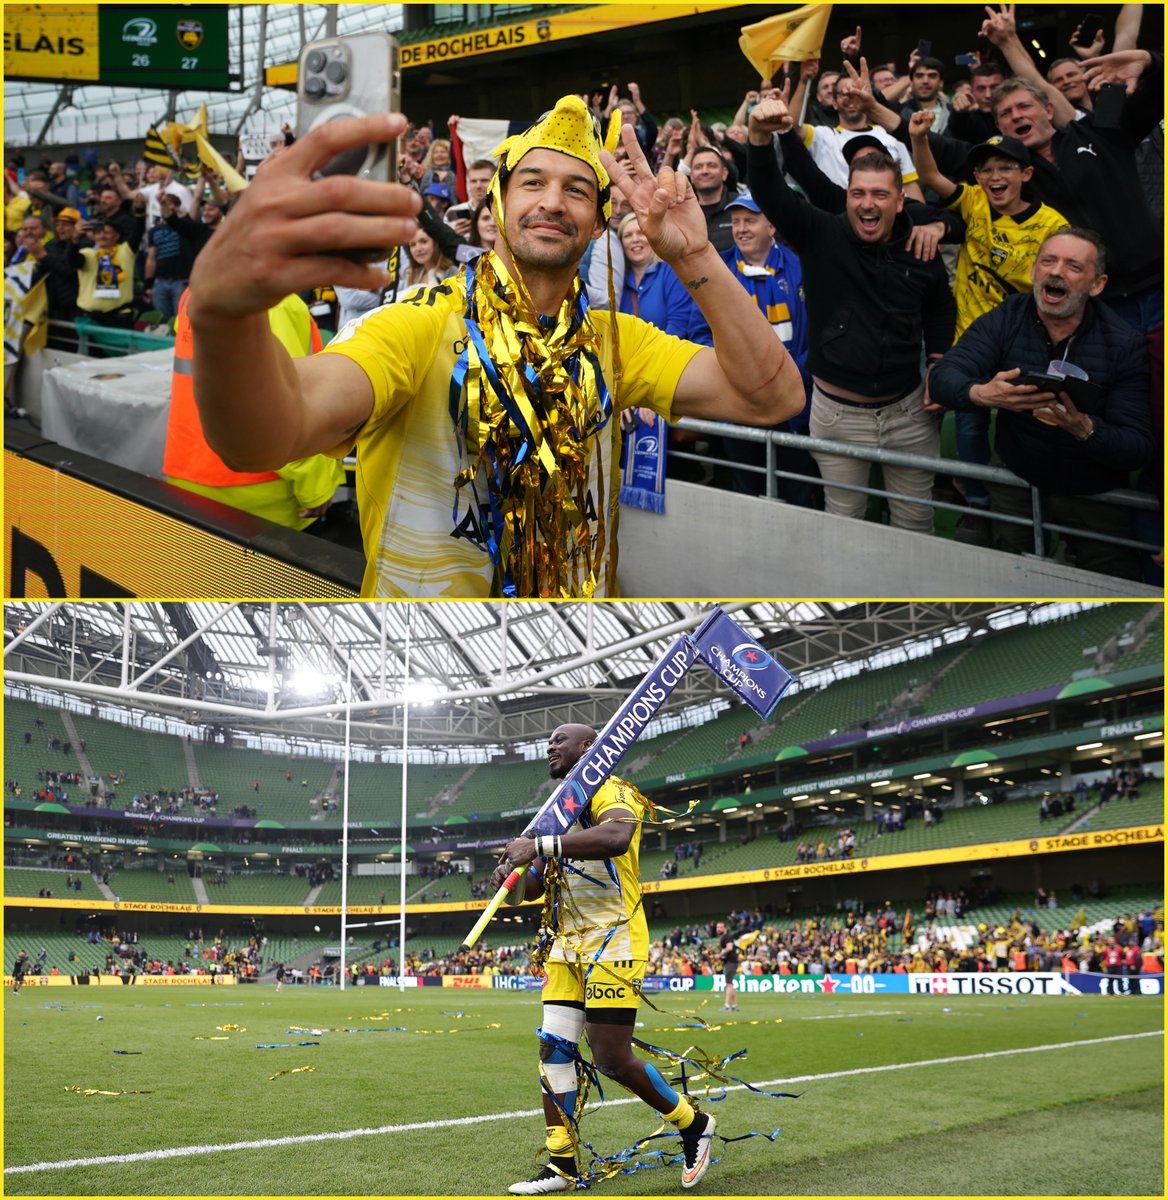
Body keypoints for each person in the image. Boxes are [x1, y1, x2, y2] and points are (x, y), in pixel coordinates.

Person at [187, 97, 803, 597]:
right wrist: (223, 314)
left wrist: (695, 255)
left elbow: (772, 397)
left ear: (595, 223)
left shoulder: (618, 342)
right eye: (532, 182)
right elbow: (266, 435)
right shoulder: (416, 324)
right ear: (499, 206)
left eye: (577, 191)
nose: (552, 201)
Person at [491, 724, 716, 1193]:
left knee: (611, 1057)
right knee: (553, 1050)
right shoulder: (553, 815)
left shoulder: (611, 789)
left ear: (589, 747)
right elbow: (533, 888)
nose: (550, 745)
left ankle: (693, 1123)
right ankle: (563, 1166)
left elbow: (615, 837)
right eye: (547, 740)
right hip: (565, 944)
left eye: (560, 738)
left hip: (615, 940)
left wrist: (539, 845)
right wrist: (509, 882)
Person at [746, 94, 955, 533]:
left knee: (916, 524)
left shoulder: (921, 245)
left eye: (880, 194)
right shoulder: (821, 233)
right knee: (845, 526)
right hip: (838, 417)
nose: (866, 204)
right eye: (857, 193)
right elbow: (771, 193)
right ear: (846, 197)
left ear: (900, 201)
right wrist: (760, 138)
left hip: (909, 413)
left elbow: (939, 304)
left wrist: (937, 359)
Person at [929, 228, 1153, 579]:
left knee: (1111, 581)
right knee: (1012, 570)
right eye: (1048, 261)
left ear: (1097, 284)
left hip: (1093, 491)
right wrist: (981, 394)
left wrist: (1085, 429)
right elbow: (944, 377)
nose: (1056, 272)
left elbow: (1138, 445)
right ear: (1034, 271)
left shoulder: (1124, 344)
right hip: (1017, 477)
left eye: (1073, 266)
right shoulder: (1008, 316)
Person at [907, 120, 1069, 538]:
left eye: (1006, 168)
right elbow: (928, 177)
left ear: (1026, 174)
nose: (996, 177)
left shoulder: (1052, 226)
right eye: (987, 170)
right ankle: (978, 503)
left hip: (1025, 340)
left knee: (1030, 425)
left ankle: (1033, 507)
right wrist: (920, 137)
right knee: (970, 424)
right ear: (977, 177)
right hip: (971, 340)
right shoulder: (974, 201)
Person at [164, 289, 344, 530]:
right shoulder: (275, 302)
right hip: (261, 494)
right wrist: (316, 485)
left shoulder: (197, 290)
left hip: (189, 473)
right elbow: (281, 407)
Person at [719, 926, 740, 1011]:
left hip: (731, 962)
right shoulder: (725, 937)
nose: (718, 929)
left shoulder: (727, 936)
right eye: (717, 927)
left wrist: (719, 955)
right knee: (730, 984)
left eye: (720, 927)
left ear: (725, 928)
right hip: (730, 962)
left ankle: (727, 1005)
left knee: (728, 984)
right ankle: (735, 1005)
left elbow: (729, 948)